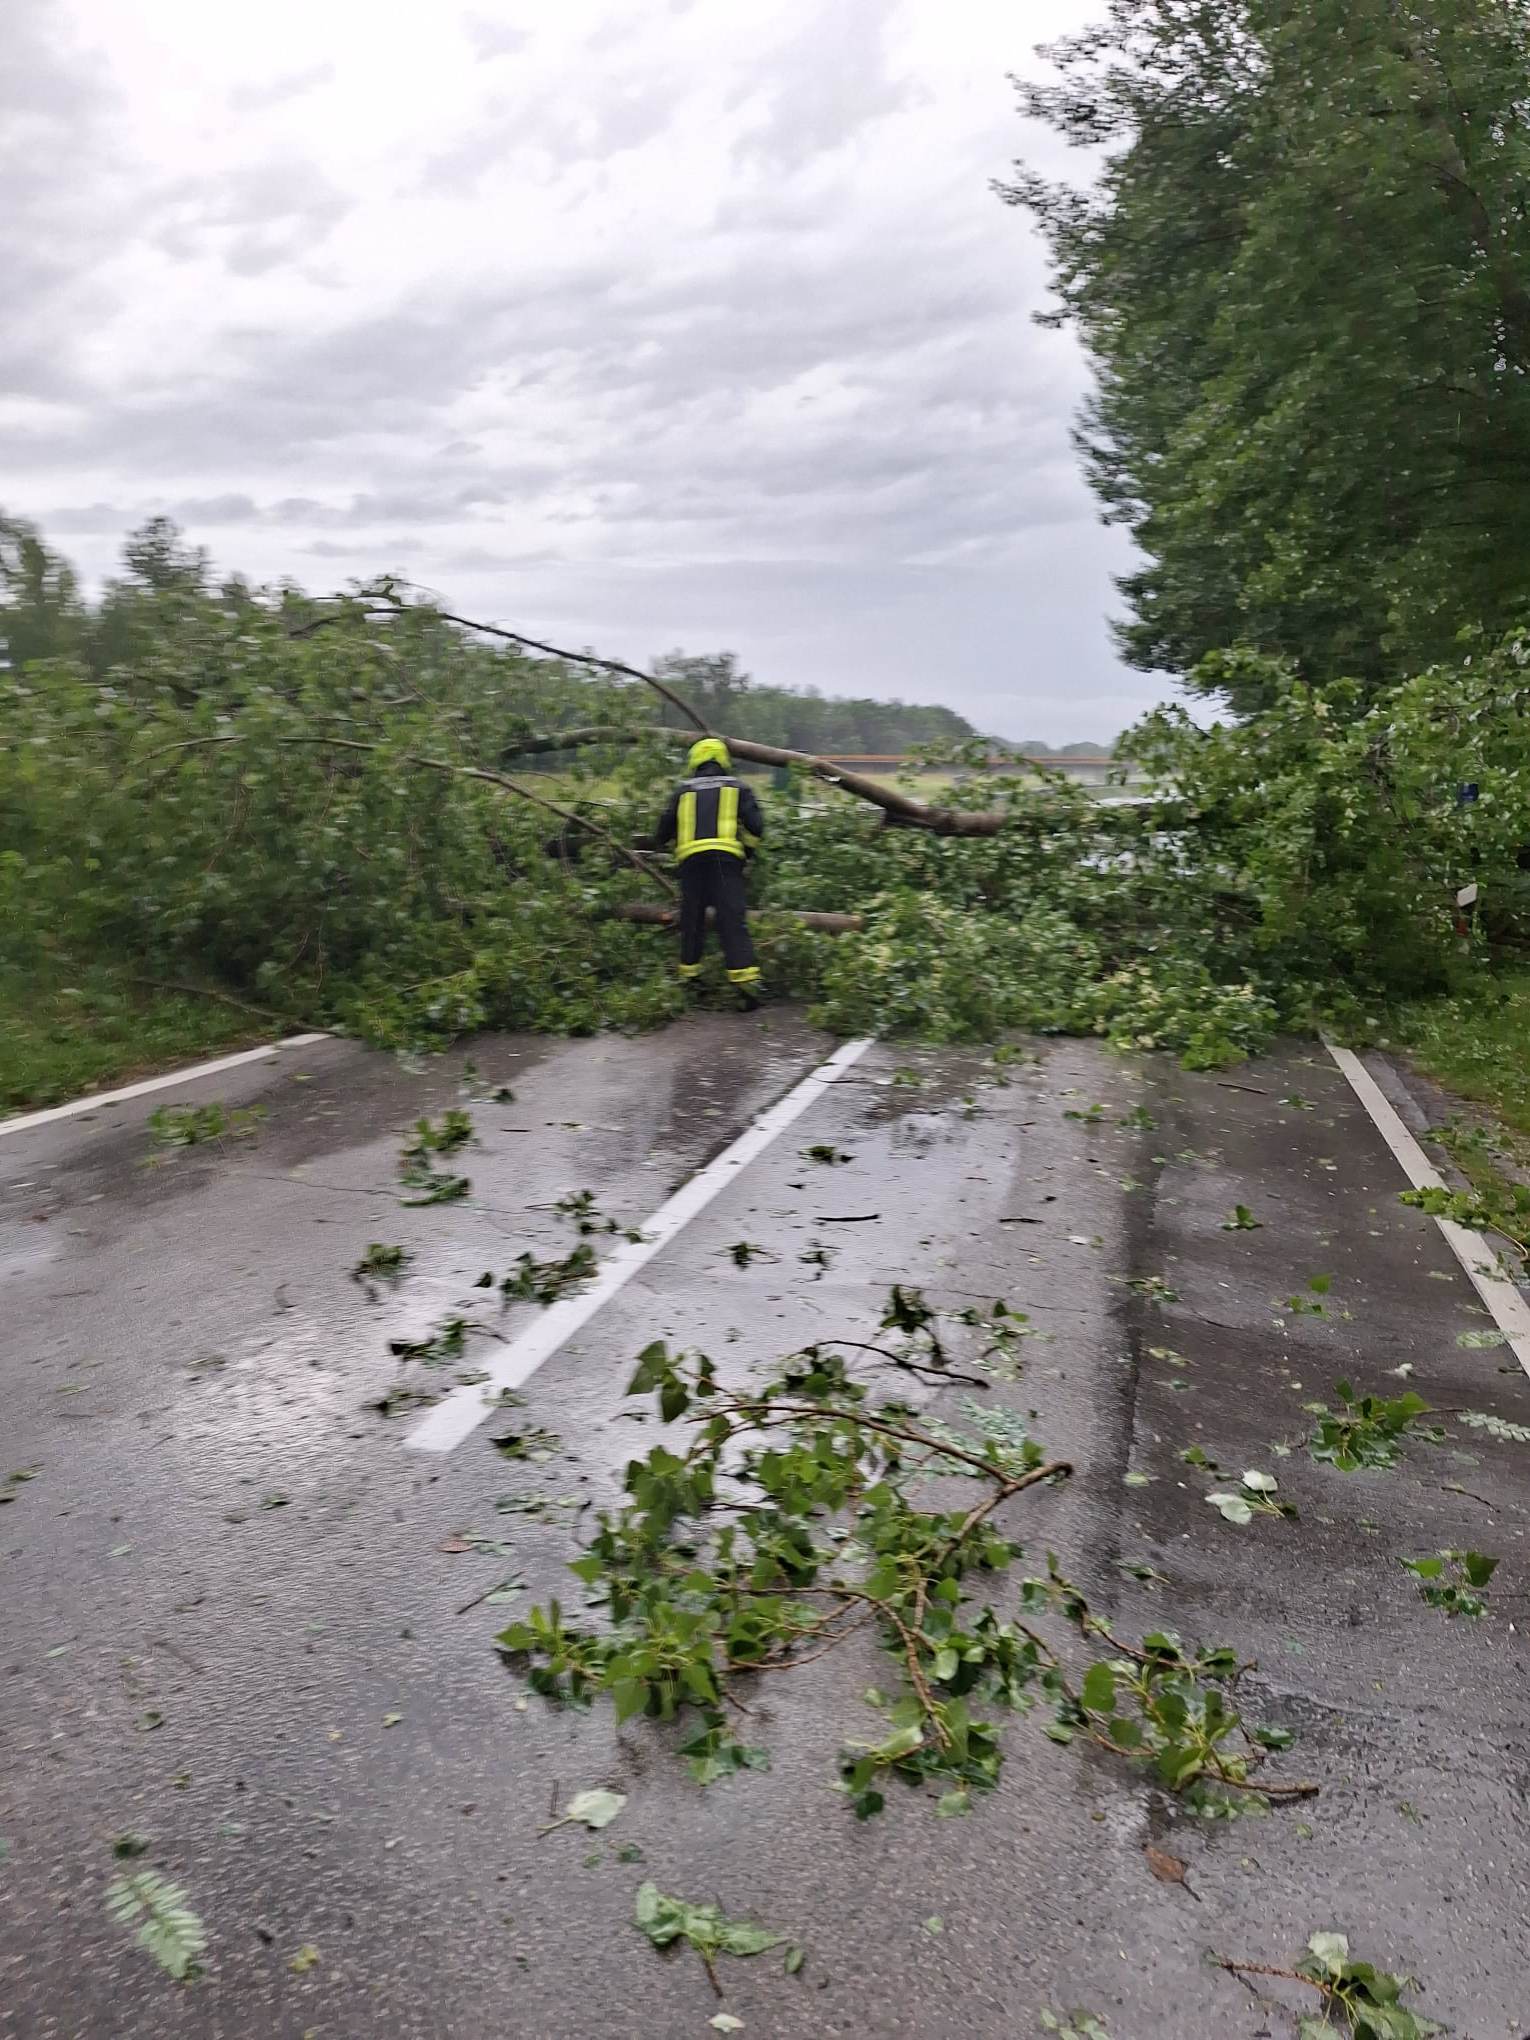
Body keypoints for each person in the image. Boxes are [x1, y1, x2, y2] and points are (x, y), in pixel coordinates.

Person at [655, 737, 764, 1007]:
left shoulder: (682, 791)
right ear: (723, 759)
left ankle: (690, 981)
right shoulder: (739, 788)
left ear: (695, 760)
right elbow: (756, 828)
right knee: (731, 919)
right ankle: (745, 988)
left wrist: (675, 848)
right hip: (725, 861)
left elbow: (661, 833)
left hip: (691, 863)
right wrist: (747, 853)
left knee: (692, 920)